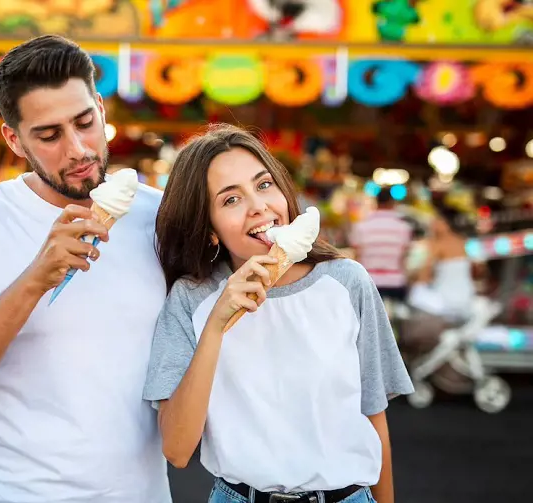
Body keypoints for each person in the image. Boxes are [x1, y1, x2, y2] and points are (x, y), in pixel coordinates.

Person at [0, 35, 171, 503]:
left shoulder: (160, 217)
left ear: (102, 111)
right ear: (14, 139)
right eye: (49, 135)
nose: (77, 150)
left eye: (85, 123)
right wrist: (34, 279)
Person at [144, 124, 414, 503]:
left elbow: (373, 415)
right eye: (230, 200)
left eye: (264, 184)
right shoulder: (192, 299)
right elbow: (177, 448)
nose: (258, 206)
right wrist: (217, 325)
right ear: (209, 230)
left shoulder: (346, 281)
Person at [407, 207, 476, 322]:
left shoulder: (436, 244)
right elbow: (477, 270)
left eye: (436, 221)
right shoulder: (464, 242)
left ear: (445, 224)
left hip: (445, 302)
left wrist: (413, 280)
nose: (432, 224)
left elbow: (424, 274)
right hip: (467, 300)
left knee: (415, 293)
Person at [349, 188, 413, 304]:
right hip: (395, 283)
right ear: (392, 203)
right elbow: (404, 258)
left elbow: (357, 255)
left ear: (376, 202)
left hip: (368, 281)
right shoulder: (403, 227)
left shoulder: (361, 226)